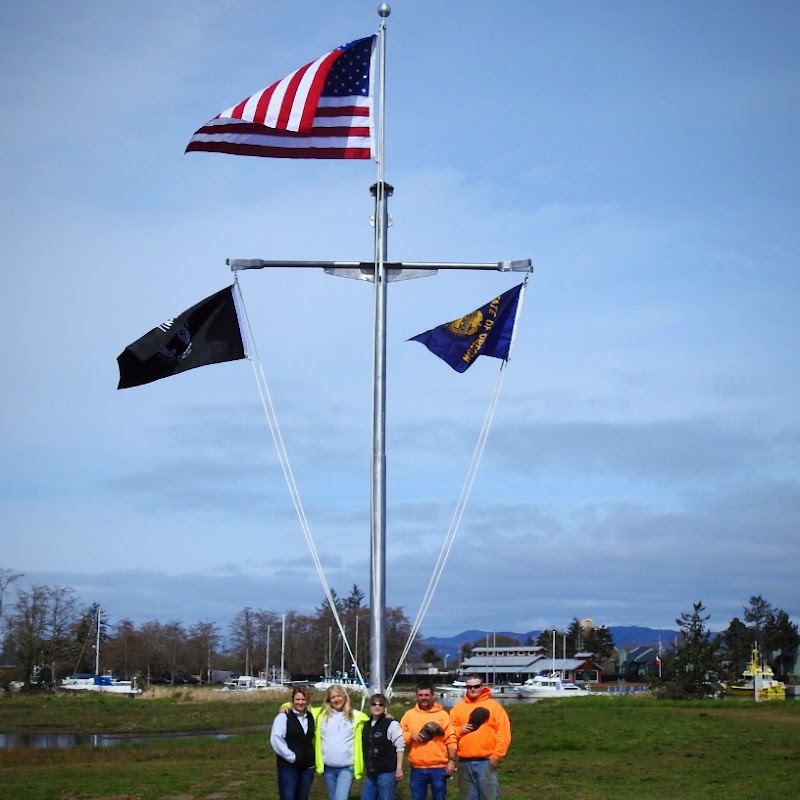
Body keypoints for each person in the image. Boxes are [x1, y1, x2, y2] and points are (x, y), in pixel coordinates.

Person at [279, 684, 369, 800]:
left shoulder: (358, 717)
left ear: (345, 697)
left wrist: (386, 716)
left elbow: (375, 721)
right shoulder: (320, 714)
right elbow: (300, 705)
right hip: (328, 769)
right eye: (333, 697)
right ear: (329, 700)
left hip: (347, 768)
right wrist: (284, 706)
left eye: (339, 696)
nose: (336, 699)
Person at [449, 675, 512, 800]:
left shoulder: (494, 707)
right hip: (464, 762)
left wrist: (496, 756)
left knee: (490, 797)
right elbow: (449, 733)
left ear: (482, 687)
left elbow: (503, 733)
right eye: (469, 687)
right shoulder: (457, 708)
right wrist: (460, 730)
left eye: (476, 686)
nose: (473, 689)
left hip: (486, 762)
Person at [400, 681, 457, 800]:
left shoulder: (442, 715)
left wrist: (451, 760)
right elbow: (399, 735)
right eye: (420, 695)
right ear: (416, 697)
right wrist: (411, 735)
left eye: (426, 695)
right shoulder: (409, 715)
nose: (423, 698)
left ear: (432, 696)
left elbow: (451, 738)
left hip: (439, 768)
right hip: (417, 768)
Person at [270, 685, 316, 800]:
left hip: (307, 767)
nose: (300, 702)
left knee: (302, 797)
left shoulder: (311, 717)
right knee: (288, 796)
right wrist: (291, 757)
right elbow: (276, 739)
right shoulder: (283, 717)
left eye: (303, 699)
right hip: (288, 766)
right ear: (292, 700)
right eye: (298, 699)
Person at [361, 692, 404, 800]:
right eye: (374, 704)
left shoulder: (391, 724)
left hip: (387, 772)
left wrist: (399, 768)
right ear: (369, 706)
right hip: (371, 772)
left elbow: (400, 746)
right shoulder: (365, 725)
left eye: (380, 704)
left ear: (385, 707)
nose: (377, 707)